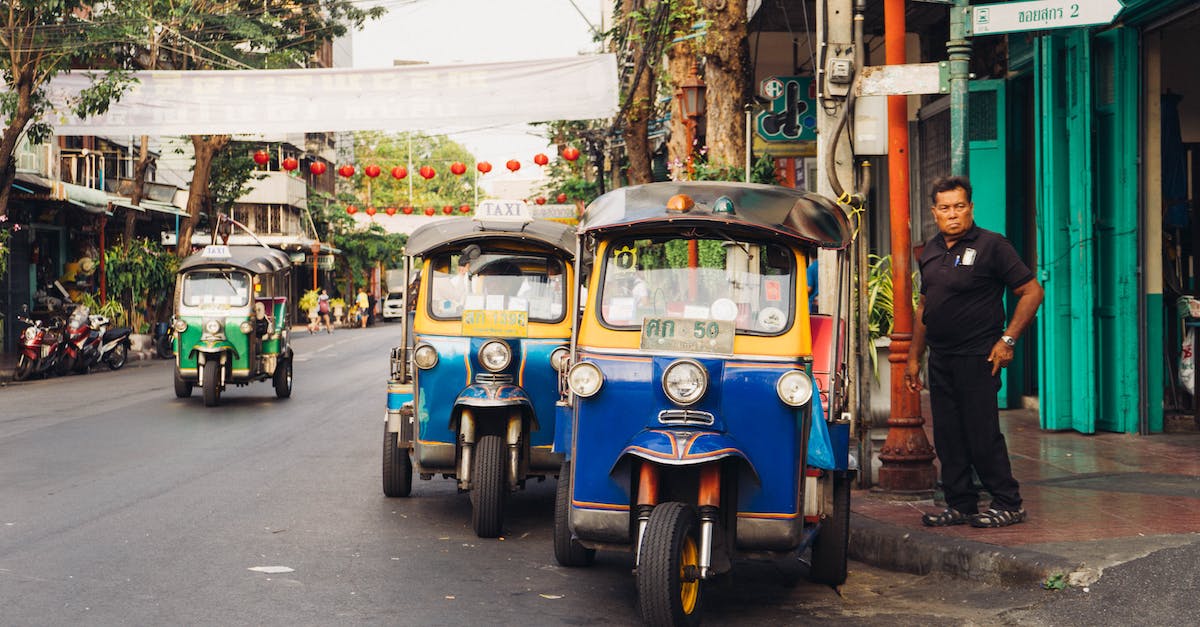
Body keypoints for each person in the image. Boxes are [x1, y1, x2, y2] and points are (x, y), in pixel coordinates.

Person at [904, 176, 1044, 529]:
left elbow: (1032, 292)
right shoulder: (931, 251)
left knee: (981, 433)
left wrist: (1007, 340)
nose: (953, 214)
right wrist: (913, 357)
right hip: (942, 357)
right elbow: (925, 307)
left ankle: (1008, 502)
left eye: (960, 206)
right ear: (934, 212)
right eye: (946, 208)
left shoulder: (992, 245)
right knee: (948, 435)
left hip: (980, 356)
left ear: (971, 208)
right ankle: (961, 503)